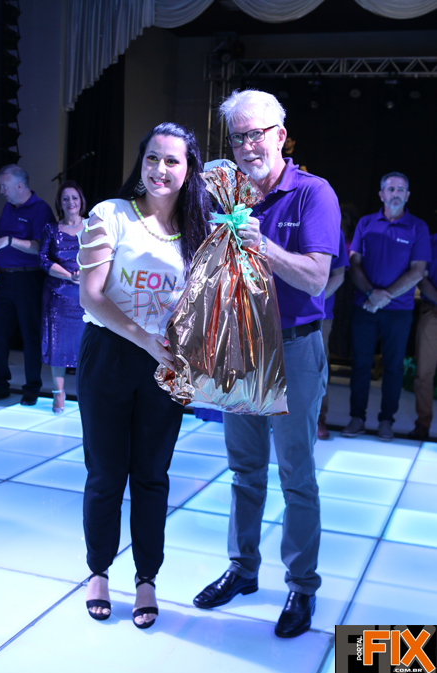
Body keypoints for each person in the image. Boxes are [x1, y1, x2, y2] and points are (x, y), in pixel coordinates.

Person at [192, 90, 340, 639]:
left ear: (280, 135)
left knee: (296, 475)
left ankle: (301, 585)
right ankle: (243, 568)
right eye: (238, 137)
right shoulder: (225, 192)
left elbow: (316, 278)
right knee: (244, 470)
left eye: (256, 134)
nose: (247, 146)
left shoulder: (313, 193)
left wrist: (264, 247)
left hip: (294, 348)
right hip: (240, 346)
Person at [77, 122, 211, 628]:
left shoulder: (200, 231)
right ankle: (98, 571)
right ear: (142, 160)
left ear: (189, 169)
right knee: (106, 473)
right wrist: (146, 339)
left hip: (168, 362)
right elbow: (92, 295)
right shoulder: (110, 214)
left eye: (172, 160)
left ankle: (146, 578)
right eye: (153, 157)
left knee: (152, 476)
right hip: (110, 354)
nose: (160, 169)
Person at [342, 172, 431, 441]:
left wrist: (384, 296)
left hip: (399, 310)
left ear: (408, 195)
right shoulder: (366, 223)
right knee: (360, 365)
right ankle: (357, 418)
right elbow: (353, 264)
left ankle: (386, 421)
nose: (395, 194)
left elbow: (418, 272)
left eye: (401, 190)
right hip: (364, 306)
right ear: (381, 194)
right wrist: (371, 293)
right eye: (390, 189)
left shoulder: (418, 227)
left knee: (394, 368)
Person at [0, 165, 55, 405]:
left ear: (19, 185)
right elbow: (0, 239)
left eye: (4, 186)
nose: (1, 191)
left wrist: (9, 240)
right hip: (5, 278)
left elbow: (40, 248)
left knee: (30, 333)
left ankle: (32, 387)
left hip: (28, 279)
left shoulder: (40, 209)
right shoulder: (8, 208)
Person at [40, 180, 86, 413]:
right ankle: (58, 394)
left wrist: (84, 276)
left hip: (86, 297)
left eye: (74, 197)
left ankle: (85, 393)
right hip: (57, 296)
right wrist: (69, 276)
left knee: (85, 347)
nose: (70, 202)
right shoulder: (51, 229)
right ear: (60, 202)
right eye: (65, 198)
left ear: (81, 201)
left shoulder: (93, 227)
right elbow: (43, 259)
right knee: (57, 346)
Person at [317, 227, 349, 440]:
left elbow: (339, 275)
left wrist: (314, 301)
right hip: (276, 311)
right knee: (274, 365)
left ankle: (318, 417)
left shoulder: (331, 228)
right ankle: (273, 415)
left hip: (319, 314)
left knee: (318, 368)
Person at [408, 233, 437, 440]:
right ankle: (423, 423)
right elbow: (421, 277)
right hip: (432, 309)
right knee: (424, 372)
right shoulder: (429, 241)